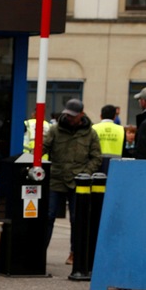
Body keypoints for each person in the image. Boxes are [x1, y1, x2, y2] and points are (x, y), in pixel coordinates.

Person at [43, 98, 102, 264]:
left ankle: (75, 253)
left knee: (78, 219)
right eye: (67, 115)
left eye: (73, 116)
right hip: (56, 179)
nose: (69, 118)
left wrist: (85, 173)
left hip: (78, 182)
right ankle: (40, 252)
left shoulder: (90, 133)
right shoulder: (55, 130)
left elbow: (96, 157)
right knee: (48, 216)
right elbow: (43, 148)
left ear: (81, 115)